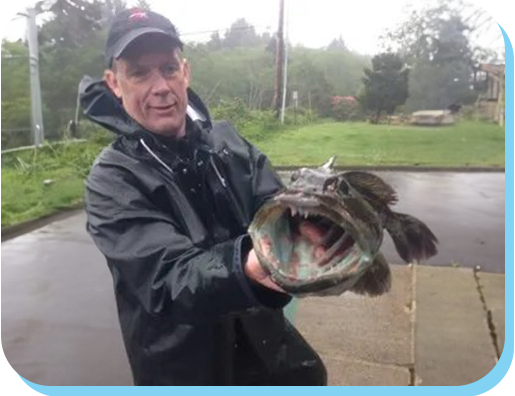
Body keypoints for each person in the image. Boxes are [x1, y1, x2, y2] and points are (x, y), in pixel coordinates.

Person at [80, 8, 327, 386]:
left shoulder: (229, 143)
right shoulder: (113, 179)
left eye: (168, 68)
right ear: (114, 83)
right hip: (181, 369)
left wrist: (313, 221)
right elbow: (168, 278)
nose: (160, 86)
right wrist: (246, 266)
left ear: (186, 72)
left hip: (265, 346)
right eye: (140, 73)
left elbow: (277, 208)